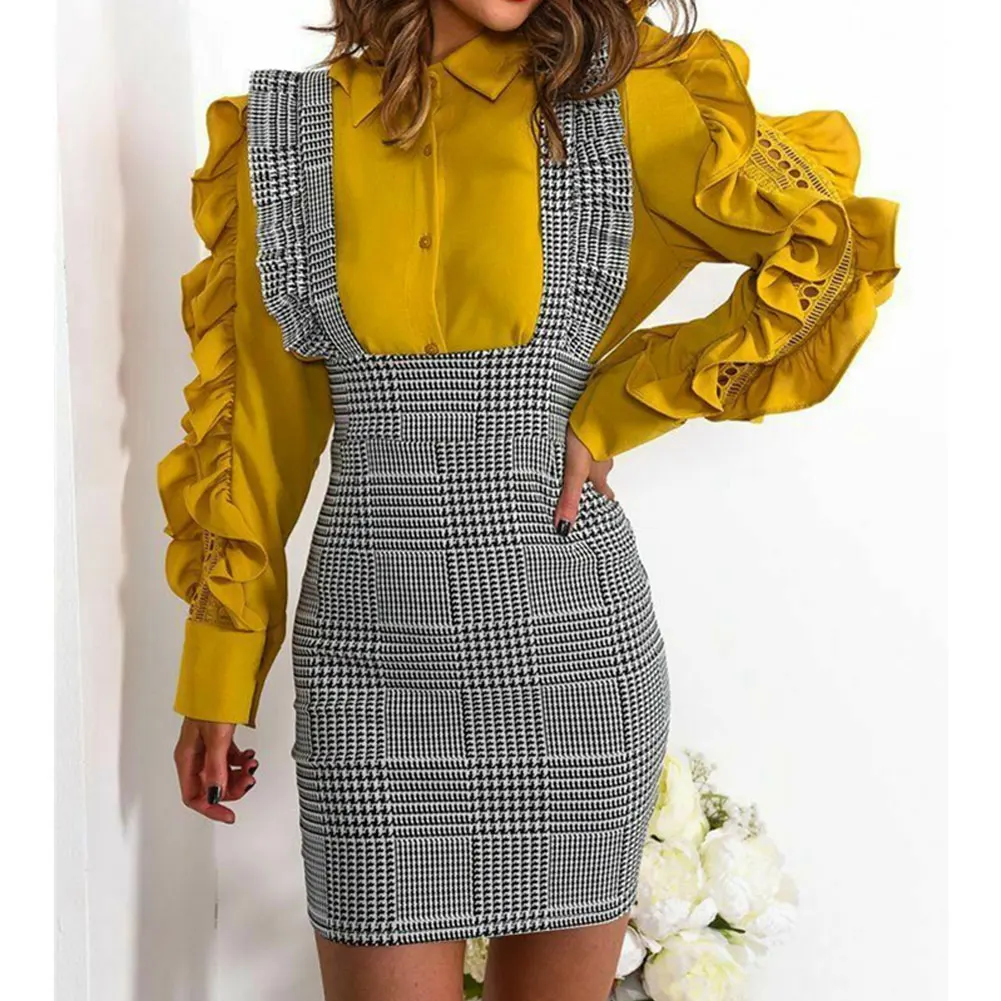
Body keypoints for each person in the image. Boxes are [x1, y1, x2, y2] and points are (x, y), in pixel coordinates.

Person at [158, 1, 899, 998]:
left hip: (573, 652)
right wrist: (218, 670)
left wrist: (615, 405)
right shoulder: (289, 135)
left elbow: (830, 250)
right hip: (370, 662)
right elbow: (256, 428)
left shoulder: (628, 104)